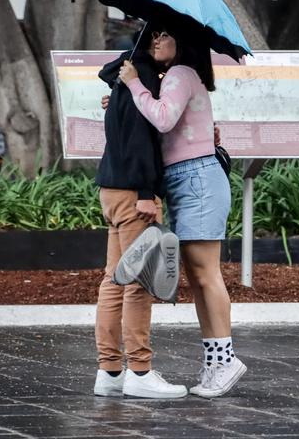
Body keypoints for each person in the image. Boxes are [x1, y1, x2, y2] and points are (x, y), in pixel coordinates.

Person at [119, 27, 244, 398]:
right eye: (154, 35)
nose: (156, 40)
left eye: (164, 34)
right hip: (190, 179)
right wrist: (129, 101)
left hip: (196, 181)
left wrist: (133, 85)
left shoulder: (179, 73)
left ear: (183, 40)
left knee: (207, 275)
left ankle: (225, 359)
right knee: (200, 276)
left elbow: (163, 118)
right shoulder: (183, 75)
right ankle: (215, 361)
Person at [92, 27, 186, 399]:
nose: (178, 48)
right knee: (139, 285)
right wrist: (147, 192)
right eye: (174, 39)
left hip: (112, 189)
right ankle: (141, 371)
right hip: (134, 194)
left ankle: (110, 371)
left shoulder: (124, 76)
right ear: (158, 39)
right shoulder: (141, 79)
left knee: (114, 281)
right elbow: (138, 139)